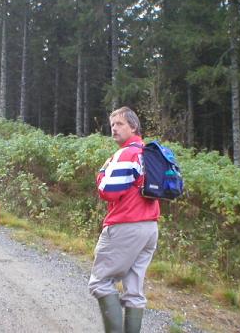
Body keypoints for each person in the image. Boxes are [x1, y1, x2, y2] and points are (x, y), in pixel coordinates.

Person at [88, 106, 160, 333]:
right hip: (150, 227)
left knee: (100, 282)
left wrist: (101, 174)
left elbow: (108, 190)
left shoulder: (127, 153)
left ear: (133, 126)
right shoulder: (149, 153)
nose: (114, 129)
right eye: (112, 125)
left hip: (126, 225)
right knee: (134, 290)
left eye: (119, 124)